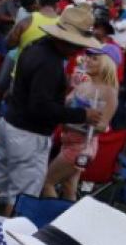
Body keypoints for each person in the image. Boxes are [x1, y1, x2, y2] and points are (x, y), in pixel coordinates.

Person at [0, 6, 102, 215]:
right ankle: (9, 236)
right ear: (64, 40)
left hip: (12, 124)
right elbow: (42, 108)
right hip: (29, 135)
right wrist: (83, 115)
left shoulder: (35, 46)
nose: (79, 51)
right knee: (22, 197)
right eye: (77, 45)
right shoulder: (49, 62)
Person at [41, 43, 120, 201]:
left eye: (94, 58)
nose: (87, 60)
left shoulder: (109, 92)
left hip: (81, 147)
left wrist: (72, 122)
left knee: (47, 183)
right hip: (68, 141)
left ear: (107, 64)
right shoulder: (84, 84)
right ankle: (68, 216)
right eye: (88, 57)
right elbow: (65, 105)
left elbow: (101, 127)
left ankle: (50, 214)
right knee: (69, 187)